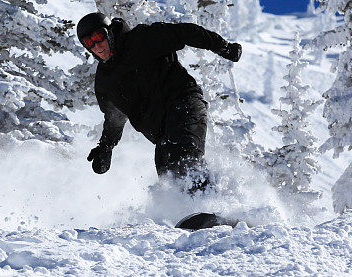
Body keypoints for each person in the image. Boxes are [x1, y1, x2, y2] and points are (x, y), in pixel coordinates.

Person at [76, 12, 242, 188]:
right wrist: (105, 147)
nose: (97, 45)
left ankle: (216, 203)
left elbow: (186, 32)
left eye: (98, 36)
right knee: (168, 178)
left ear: (108, 32)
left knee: (184, 161)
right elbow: (114, 116)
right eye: (89, 42)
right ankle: (198, 209)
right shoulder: (105, 81)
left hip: (183, 104)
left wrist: (223, 47)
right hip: (161, 132)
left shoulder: (142, 39)